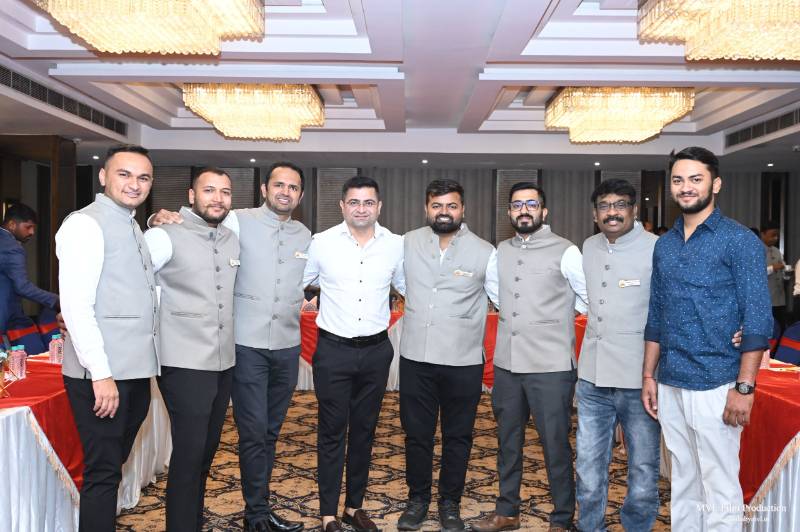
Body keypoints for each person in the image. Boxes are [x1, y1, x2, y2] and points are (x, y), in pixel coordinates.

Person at [150, 161, 311, 532]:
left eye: (293, 187)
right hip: (243, 346)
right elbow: (190, 229)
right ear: (264, 189)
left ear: (301, 195)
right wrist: (158, 217)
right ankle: (256, 515)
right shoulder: (236, 220)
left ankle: (258, 509)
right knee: (251, 432)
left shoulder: (306, 235)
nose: (285, 192)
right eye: (279, 184)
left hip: (286, 346)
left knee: (268, 433)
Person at [641, 147, 772, 531]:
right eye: (678, 180)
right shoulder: (664, 245)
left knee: (719, 483)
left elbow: (757, 318)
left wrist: (744, 388)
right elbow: (656, 315)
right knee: (682, 477)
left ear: (715, 184)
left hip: (718, 380)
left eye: (695, 179)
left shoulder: (739, 240)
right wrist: (648, 375)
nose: (686, 187)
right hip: (671, 379)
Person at [56, 144, 159, 531]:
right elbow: (77, 307)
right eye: (124, 174)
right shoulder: (85, 224)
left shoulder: (131, 223)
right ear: (103, 176)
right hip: (102, 376)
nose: (134, 184)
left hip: (133, 371)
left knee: (111, 468)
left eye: (143, 177)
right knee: (102, 473)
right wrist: (101, 374)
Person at [473, 183, 587, 532]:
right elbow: (496, 293)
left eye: (531, 204)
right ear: (509, 212)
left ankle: (562, 517)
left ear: (544, 211)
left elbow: (587, 297)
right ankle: (507, 511)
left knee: (555, 444)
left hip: (551, 367)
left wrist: (554, 319)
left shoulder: (566, 250)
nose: (524, 210)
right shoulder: (500, 251)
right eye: (517, 205)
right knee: (508, 442)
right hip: (508, 365)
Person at [303, 176, 405, 532]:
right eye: (354, 202)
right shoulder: (321, 243)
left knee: (365, 431)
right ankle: (328, 514)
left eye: (368, 202)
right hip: (333, 351)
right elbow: (301, 281)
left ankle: (353, 507)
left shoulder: (395, 245)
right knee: (332, 431)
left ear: (379, 206)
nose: (361, 209)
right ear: (342, 206)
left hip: (376, 352)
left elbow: (407, 286)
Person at [396, 179, 497, 532]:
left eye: (451, 206)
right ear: (426, 209)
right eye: (437, 206)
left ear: (462, 209)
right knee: (416, 435)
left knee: (458, 436)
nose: (444, 212)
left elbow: (500, 296)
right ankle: (417, 500)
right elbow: (400, 283)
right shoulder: (407, 242)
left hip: (463, 361)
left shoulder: (485, 251)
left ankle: (450, 503)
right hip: (416, 358)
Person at [144, 168, 238, 532]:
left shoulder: (231, 237)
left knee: (205, 452)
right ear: (191, 195)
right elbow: (134, 281)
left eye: (225, 192)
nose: (218, 198)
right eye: (209, 190)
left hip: (222, 361)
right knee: (188, 453)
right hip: (183, 362)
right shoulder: (164, 234)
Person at [574, 179, 661, 531]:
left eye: (620, 205)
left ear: (634, 210)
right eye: (604, 206)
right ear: (595, 213)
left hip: (639, 378)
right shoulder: (589, 246)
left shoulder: (657, 248)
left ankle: (637, 526)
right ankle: (590, 525)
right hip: (592, 376)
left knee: (642, 467)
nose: (612, 212)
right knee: (588, 464)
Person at [0, 202, 59, 335]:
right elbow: (22, 287)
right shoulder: (13, 248)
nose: (32, 232)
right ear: (12, 224)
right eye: (28, 227)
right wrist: (56, 300)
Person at [761, 222, 787, 329]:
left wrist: (787, 274)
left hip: (779, 298)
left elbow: (782, 269)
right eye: (772, 235)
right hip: (765, 299)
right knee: (768, 330)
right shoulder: (756, 250)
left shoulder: (776, 251)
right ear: (763, 234)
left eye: (777, 235)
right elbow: (754, 273)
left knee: (781, 328)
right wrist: (772, 268)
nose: (775, 238)